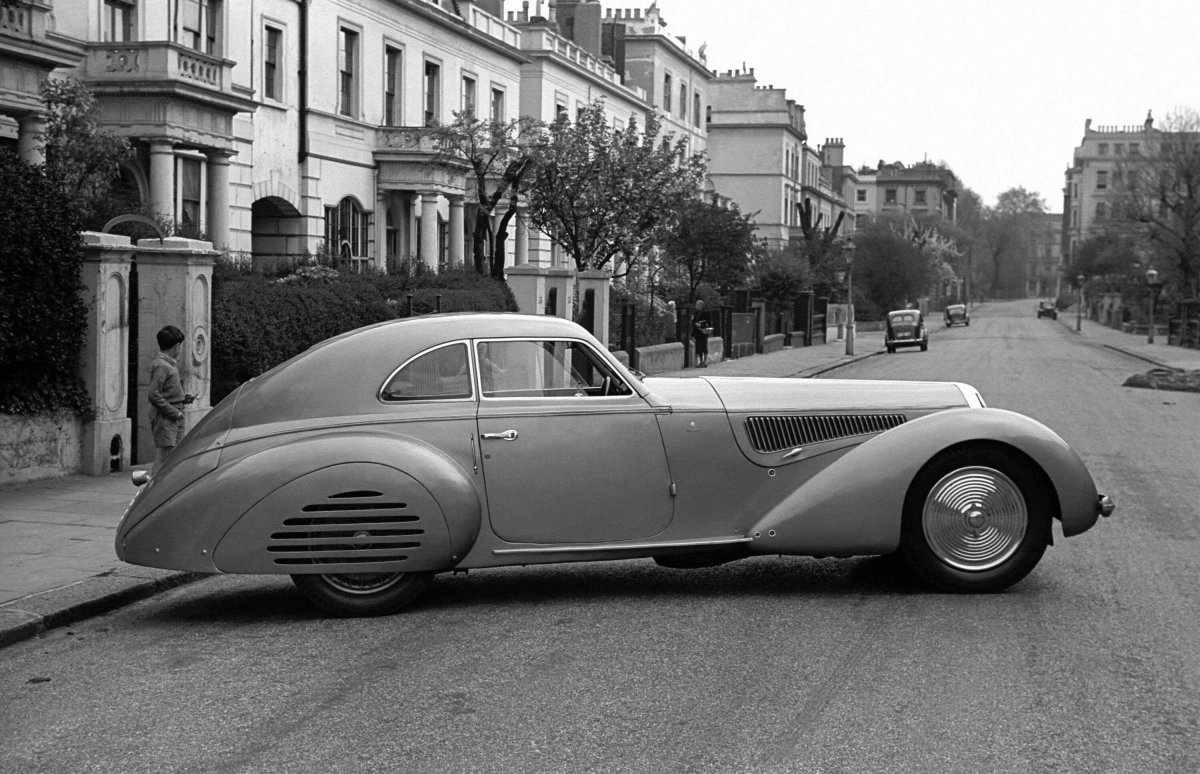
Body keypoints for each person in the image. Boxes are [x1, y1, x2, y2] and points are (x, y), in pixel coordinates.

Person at [148, 325, 192, 469]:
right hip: (166, 418)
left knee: (171, 457)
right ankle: (156, 483)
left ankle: (163, 482)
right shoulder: (162, 366)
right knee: (164, 457)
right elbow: (153, 394)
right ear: (177, 346)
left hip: (171, 416)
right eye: (181, 346)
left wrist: (183, 398)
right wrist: (175, 412)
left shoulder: (167, 365)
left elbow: (165, 392)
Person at [691, 299, 710, 367]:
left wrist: (702, 324)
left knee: (704, 346)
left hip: (704, 331)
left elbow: (708, 321)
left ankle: (705, 361)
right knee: (699, 347)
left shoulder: (705, 312)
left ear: (701, 305)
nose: (696, 305)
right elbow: (693, 320)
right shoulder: (695, 312)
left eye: (697, 304)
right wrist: (695, 323)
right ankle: (701, 361)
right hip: (697, 331)